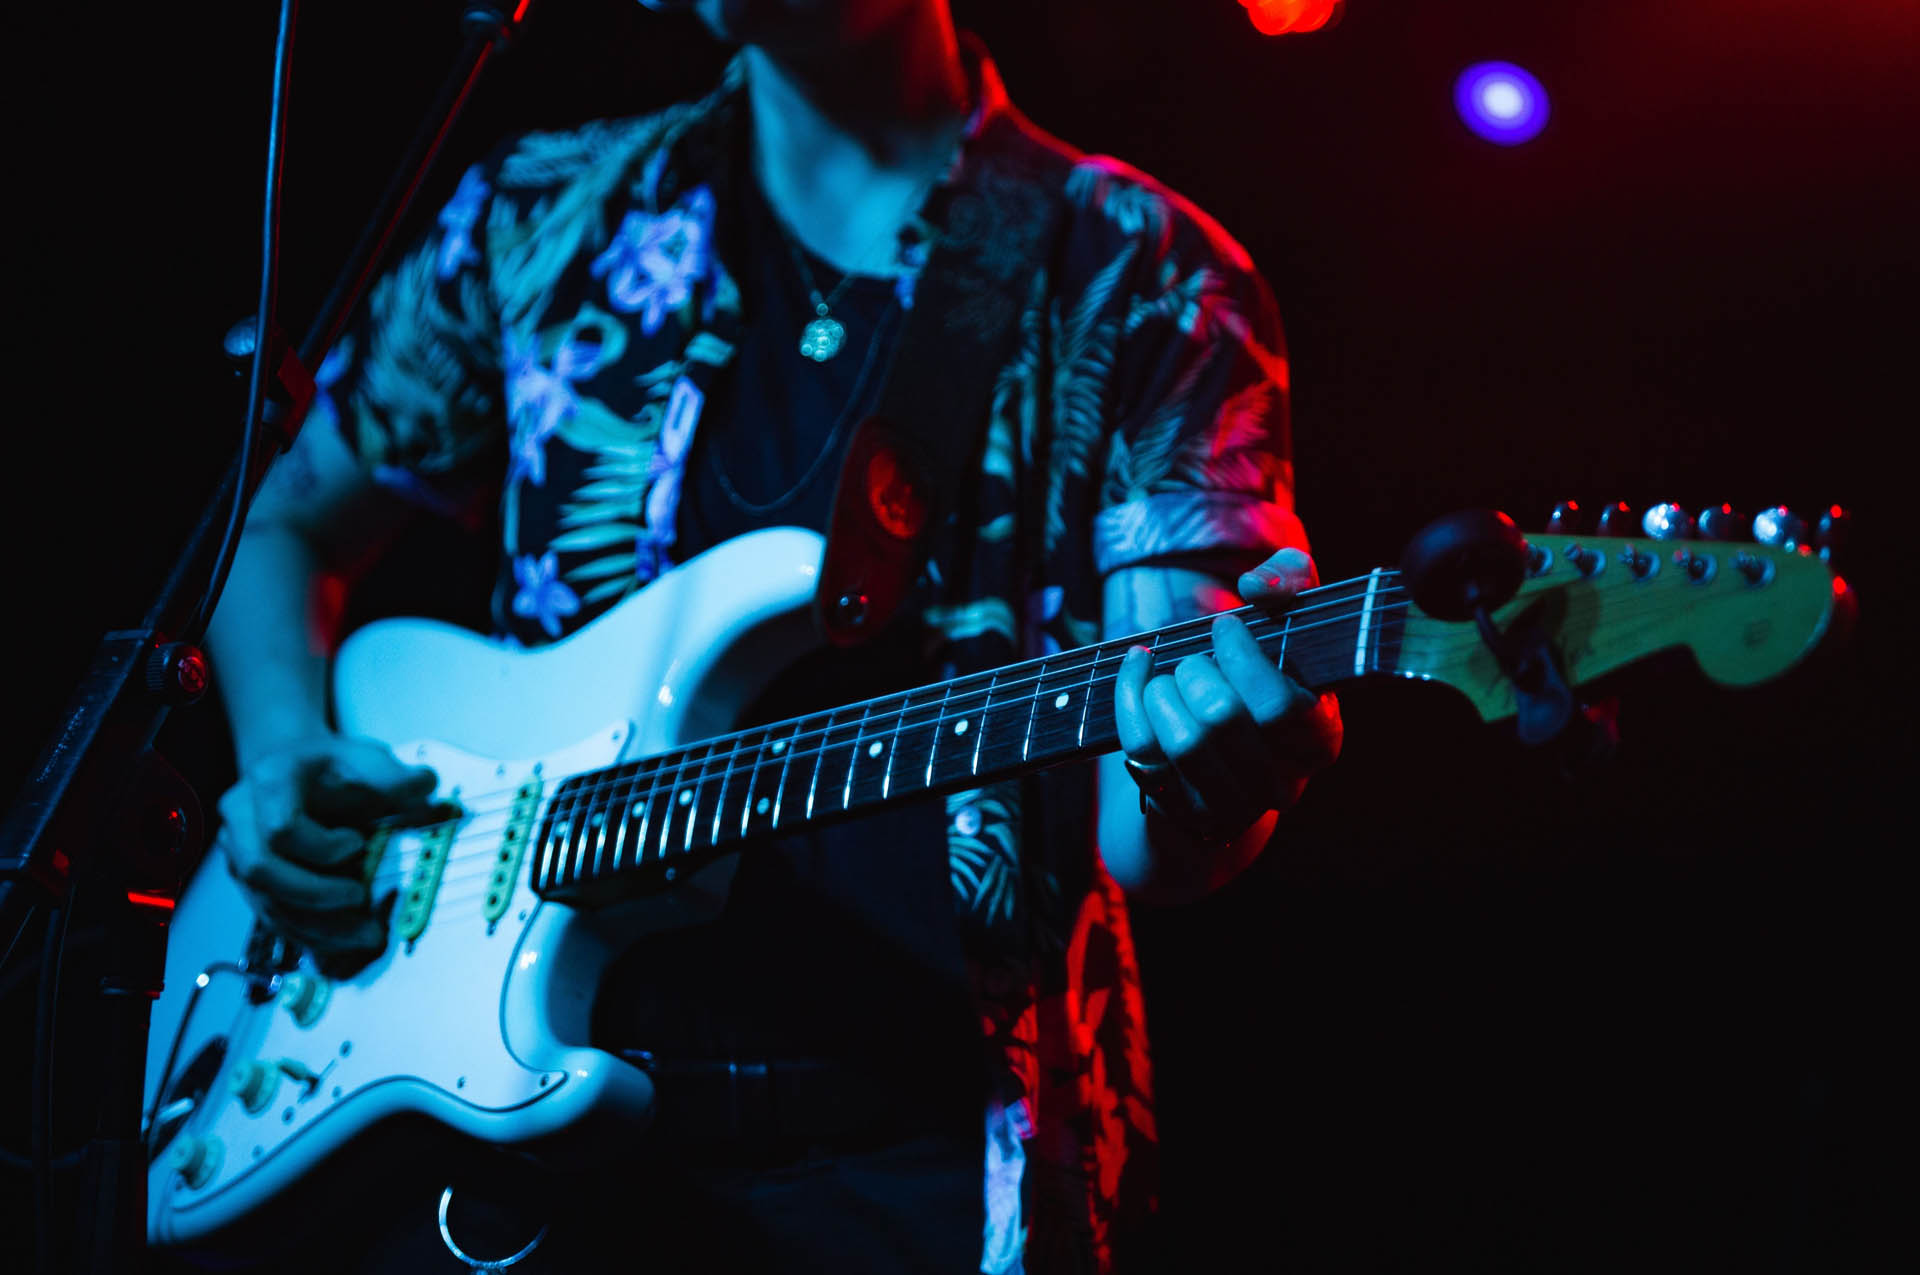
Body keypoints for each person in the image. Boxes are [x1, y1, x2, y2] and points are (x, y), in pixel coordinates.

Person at [198, 0, 1342, 1270]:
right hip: (519, 1158)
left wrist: (1213, 769)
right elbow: (278, 532)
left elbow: (1154, 838)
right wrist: (280, 752)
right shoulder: (542, 213)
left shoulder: (1145, 271)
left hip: (928, 1170)